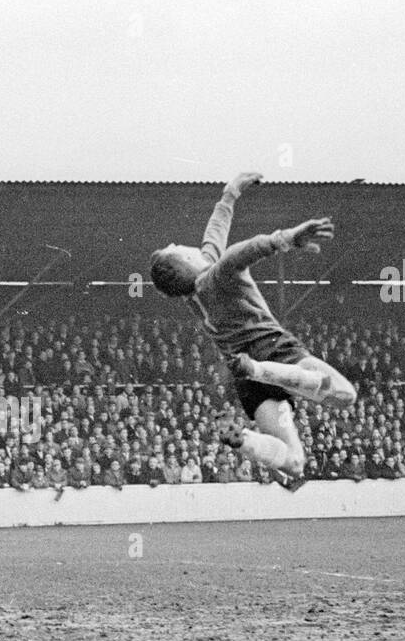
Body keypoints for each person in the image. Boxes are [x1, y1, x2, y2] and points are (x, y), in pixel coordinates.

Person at [150, 172, 357, 488]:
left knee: (295, 463)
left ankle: (244, 440)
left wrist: (229, 195)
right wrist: (285, 238)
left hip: (246, 381)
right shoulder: (218, 276)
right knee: (343, 395)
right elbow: (239, 253)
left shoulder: (193, 291)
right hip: (274, 353)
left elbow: (214, 239)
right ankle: (263, 370)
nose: (180, 242)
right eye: (176, 246)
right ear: (186, 260)